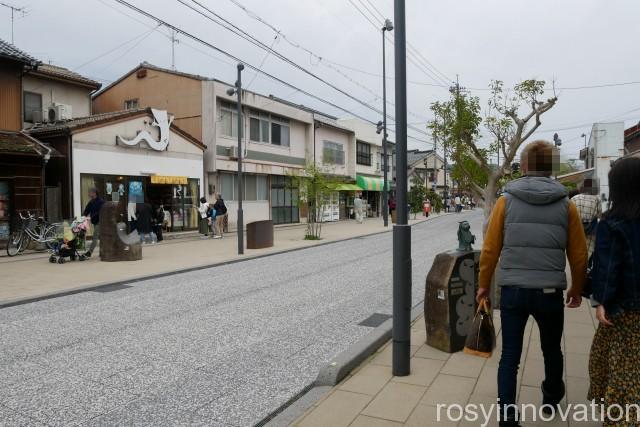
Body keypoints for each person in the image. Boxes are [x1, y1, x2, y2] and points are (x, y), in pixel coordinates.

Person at [476, 140, 587, 426]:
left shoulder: (505, 201)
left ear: (523, 166)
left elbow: (490, 249)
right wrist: (576, 288)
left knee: (509, 356)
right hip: (550, 293)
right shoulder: (566, 205)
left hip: (513, 291)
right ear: (552, 168)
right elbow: (578, 254)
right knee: (551, 348)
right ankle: (551, 399)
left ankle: (507, 418)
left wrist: (483, 284)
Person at [588, 157, 640, 426]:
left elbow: (608, 269)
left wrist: (602, 302)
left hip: (626, 310)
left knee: (620, 369)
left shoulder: (613, 223)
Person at [571, 178, 601, 257]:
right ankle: (587, 266)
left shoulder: (574, 198)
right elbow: (599, 215)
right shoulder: (596, 199)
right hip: (590, 232)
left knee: (576, 252)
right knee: (588, 252)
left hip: (576, 230)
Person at [82, 187, 104, 258]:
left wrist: (91, 217)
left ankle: (89, 252)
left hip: (100, 222)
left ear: (94, 193)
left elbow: (100, 212)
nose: (89, 194)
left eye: (90, 192)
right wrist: (82, 217)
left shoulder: (101, 202)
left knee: (95, 237)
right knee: (101, 237)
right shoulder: (91, 202)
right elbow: (86, 211)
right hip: (95, 222)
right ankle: (102, 252)